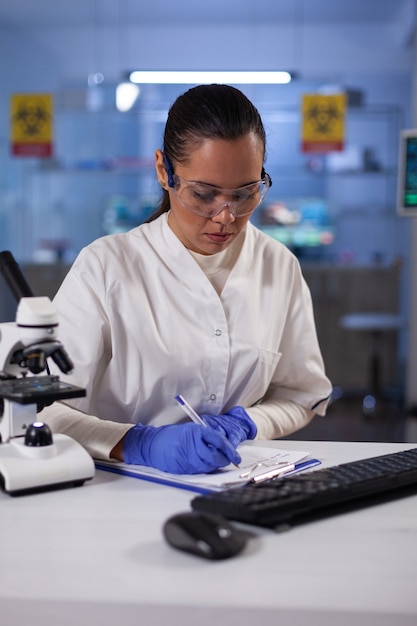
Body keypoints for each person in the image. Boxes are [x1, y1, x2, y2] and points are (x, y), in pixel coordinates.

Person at [41, 84, 332, 474]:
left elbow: (301, 396)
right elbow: (43, 411)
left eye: (245, 194)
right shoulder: (105, 267)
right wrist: (137, 444)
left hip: (237, 489)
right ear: (165, 171)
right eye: (204, 194)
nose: (226, 216)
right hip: (117, 493)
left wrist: (246, 423)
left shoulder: (278, 265)